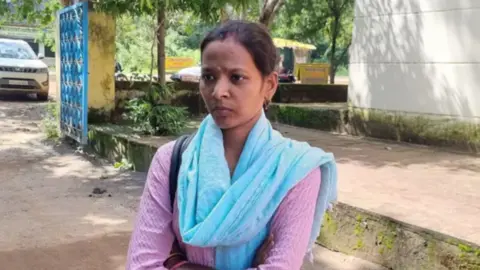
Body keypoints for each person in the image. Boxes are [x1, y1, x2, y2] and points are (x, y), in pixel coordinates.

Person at [126, 20, 337, 270]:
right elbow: (142, 264)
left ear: (269, 85)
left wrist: (176, 263)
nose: (218, 91)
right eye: (209, 77)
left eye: (236, 77)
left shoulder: (296, 170)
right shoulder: (172, 160)